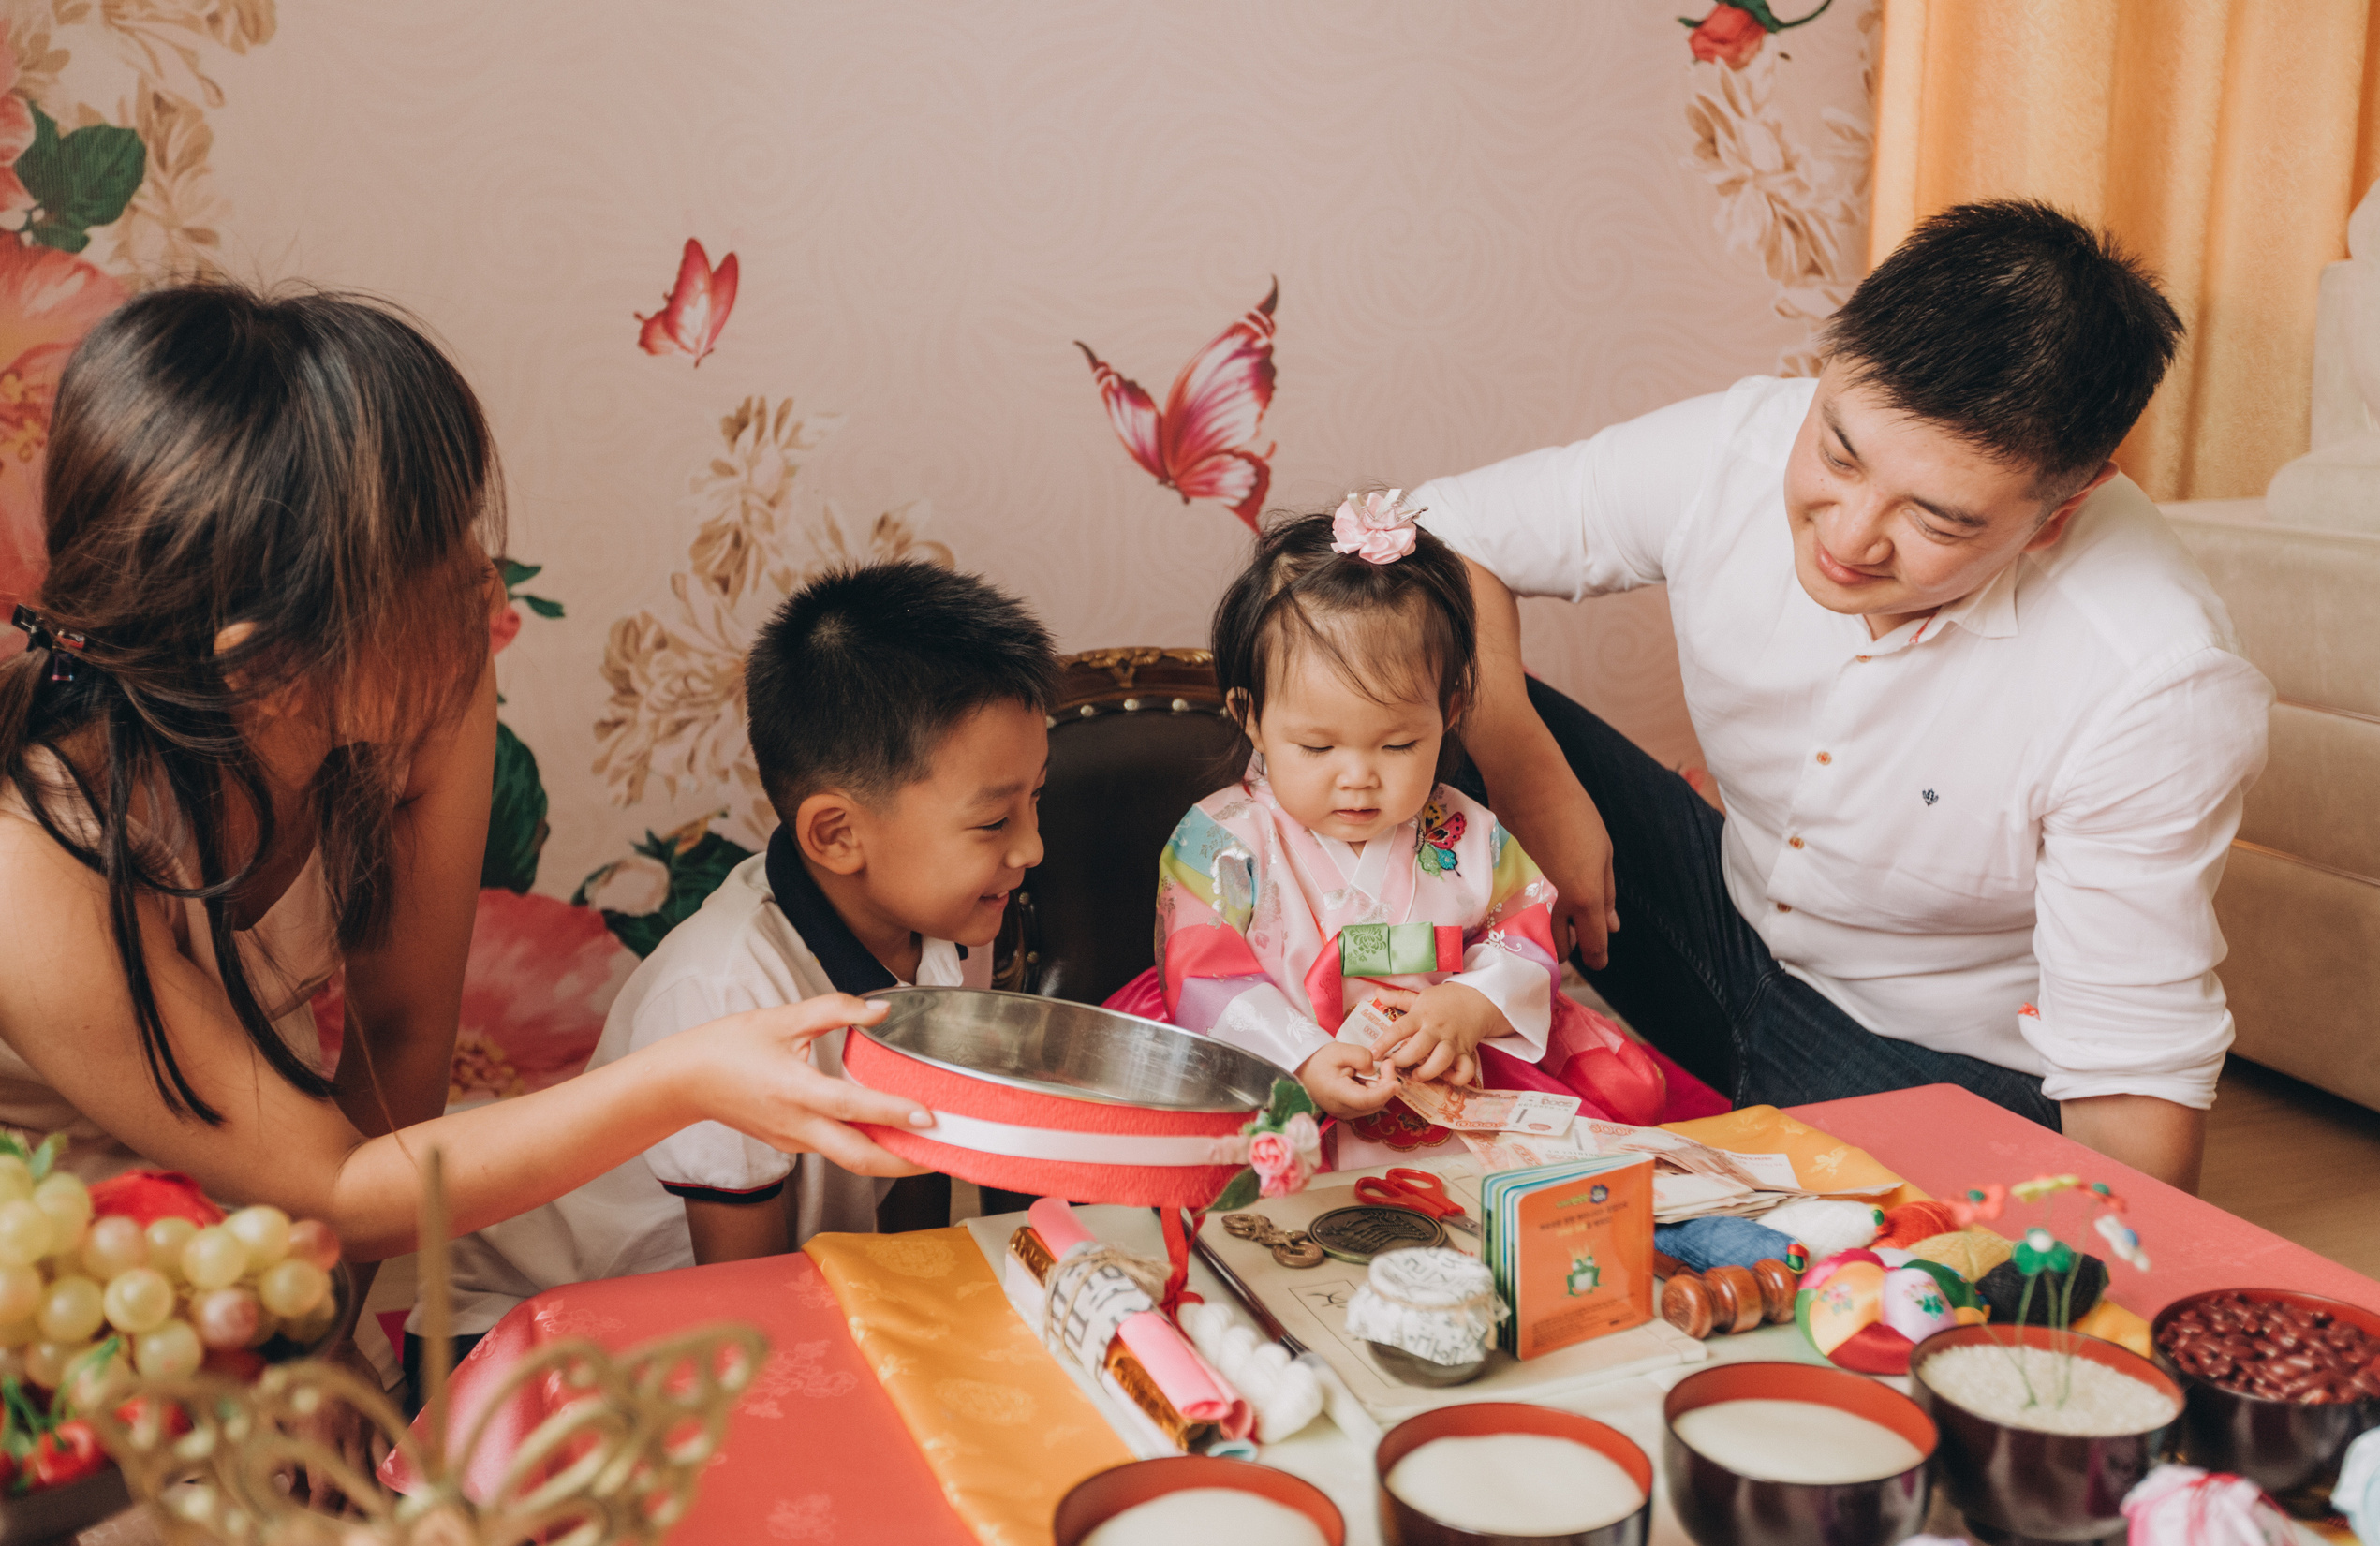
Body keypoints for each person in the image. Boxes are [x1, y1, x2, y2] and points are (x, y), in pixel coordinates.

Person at [0, 285, 934, 1462]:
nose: (484, 596)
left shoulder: (425, 682)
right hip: (47, 1300)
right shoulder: (32, 868)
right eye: (433, 573)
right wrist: (684, 1076)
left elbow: (397, 1050)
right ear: (268, 667)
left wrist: (323, 1340)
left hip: (259, 1243)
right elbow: (338, 1180)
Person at [1409, 199, 2273, 1191]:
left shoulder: (2151, 678)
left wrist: (2124, 1275)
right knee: (1401, 687)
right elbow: (1426, 532)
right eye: (1838, 455)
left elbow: (2133, 1070)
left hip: (1922, 1058)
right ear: (1827, 372)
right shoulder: (1736, 443)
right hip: (1715, 926)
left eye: (1936, 521)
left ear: (2056, 514)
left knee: (1977, 1276)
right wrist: (1531, 784)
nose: (1850, 538)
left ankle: (1732, 1136)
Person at [434, 561, 1052, 1348]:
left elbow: (910, 1178)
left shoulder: (956, 921)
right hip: (533, 1326)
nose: (1033, 845)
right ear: (836, 834)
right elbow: (745, 1318)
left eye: (1040, 796)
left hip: (743, 1300)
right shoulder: (728, 990)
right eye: (995, 821)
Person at [1116, 494, 1666, 1157]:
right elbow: (1206, 975)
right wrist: (1305, 1056)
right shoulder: (1221, 840)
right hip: (1273, 1079)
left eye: (1398, 745)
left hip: (1441, 1082)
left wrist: (1469, 1005)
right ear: (1251, 715)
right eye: (1318, 748)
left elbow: (1521, 932)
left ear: (1450, 711)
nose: (1358, 776)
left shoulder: (1465, 833)